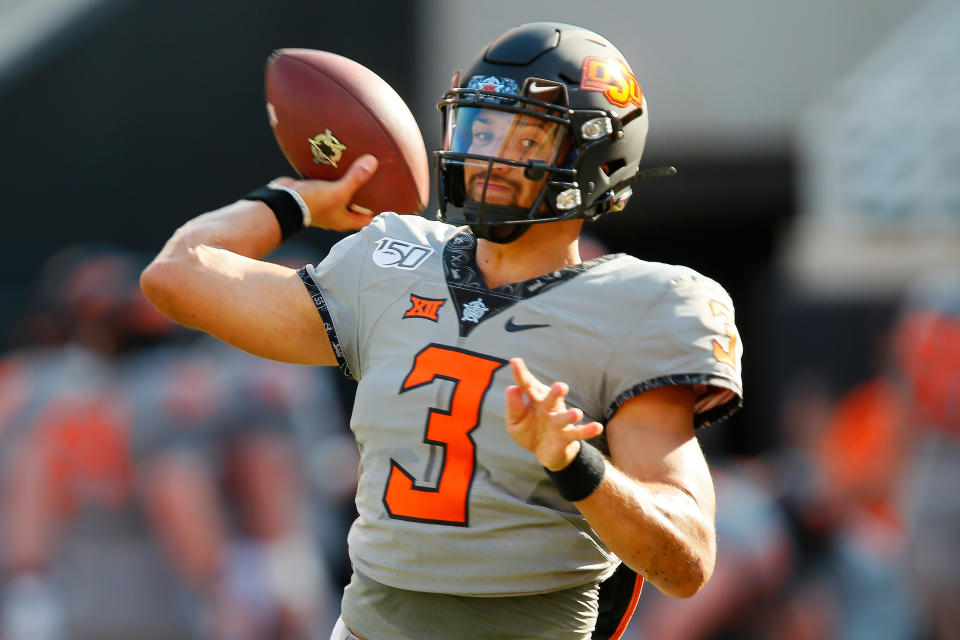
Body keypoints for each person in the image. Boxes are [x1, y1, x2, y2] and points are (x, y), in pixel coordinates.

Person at [141, 22, 743, 640]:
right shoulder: (387, 261)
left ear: (593, 156)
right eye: (479, 130)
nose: (488, 156)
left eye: (522, 137)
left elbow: (685, 560)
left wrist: (574, 463)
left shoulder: (646, 304)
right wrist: (293, 201)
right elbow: (176, 276)